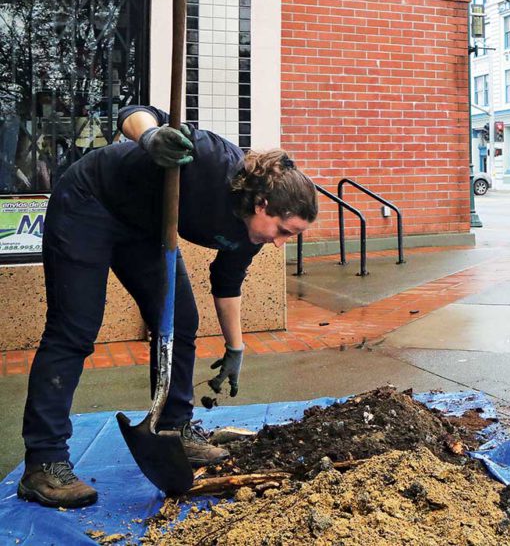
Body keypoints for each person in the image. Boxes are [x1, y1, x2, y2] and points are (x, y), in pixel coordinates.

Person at [19, 105, 318, 508]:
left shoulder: (252, 234)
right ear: (262, 203)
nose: (283, 242)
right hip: (88, 202)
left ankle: (175, 429)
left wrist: (236, 348)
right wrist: (150, 138)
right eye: (285, 230)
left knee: (179, 321)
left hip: (146, 227)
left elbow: (227, 284)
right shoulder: (213, 160)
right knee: (74, 330)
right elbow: (134, 111)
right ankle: (44, 463)